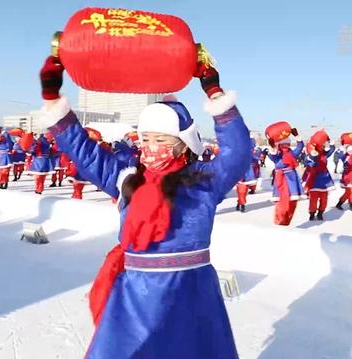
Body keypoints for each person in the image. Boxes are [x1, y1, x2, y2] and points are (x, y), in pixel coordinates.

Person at [37, 56, 248, 358]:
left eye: (160, 139)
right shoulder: (126, 178)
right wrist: (53, 99)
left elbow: (238, 152)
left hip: (191, 293)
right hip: (135, 296)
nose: (150, 146)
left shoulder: (203, 181)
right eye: (145, 138)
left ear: (183, 143)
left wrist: (214, 91)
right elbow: (83, 151)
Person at [267, 127, 305, 226]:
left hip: (292, 179)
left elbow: (300, 147)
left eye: (287, 144)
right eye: (283, 145)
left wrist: (297, 136)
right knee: (281, 202)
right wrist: (272, 146)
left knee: (292, 202)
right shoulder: (277, 155)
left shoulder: (292, 154)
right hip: (281, 179)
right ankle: (279, 223)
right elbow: (272, 155)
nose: (285, 147)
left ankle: (286, 223)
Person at [303, 140, 335, 220]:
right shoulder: (310, 156)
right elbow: (307, 162)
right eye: (320, 147)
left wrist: (330, 142)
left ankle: (320, 212)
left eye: (323, 146)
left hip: (324, 179)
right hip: (314, 179)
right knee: (313, 199)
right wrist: (313, 156)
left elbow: (331, 150)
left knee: (324, 198)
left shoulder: (324, 154)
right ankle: (312, 213)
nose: (322, 148)